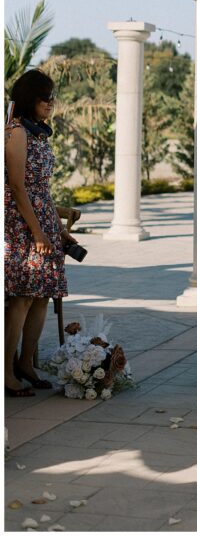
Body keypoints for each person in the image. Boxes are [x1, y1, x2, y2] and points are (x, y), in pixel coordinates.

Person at [5, 69, 67, 397]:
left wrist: (56, 229)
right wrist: (37, 233)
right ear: (31, 98)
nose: (51, 104)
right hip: (21, 222)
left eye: (53, 97)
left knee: (42, 295)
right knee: (22, 297)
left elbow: (44, 188)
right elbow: (17, 186)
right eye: (46, 98)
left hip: (42, 219)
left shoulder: (40, 133)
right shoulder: (16, 132)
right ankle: (7, 371)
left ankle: (27, 362)